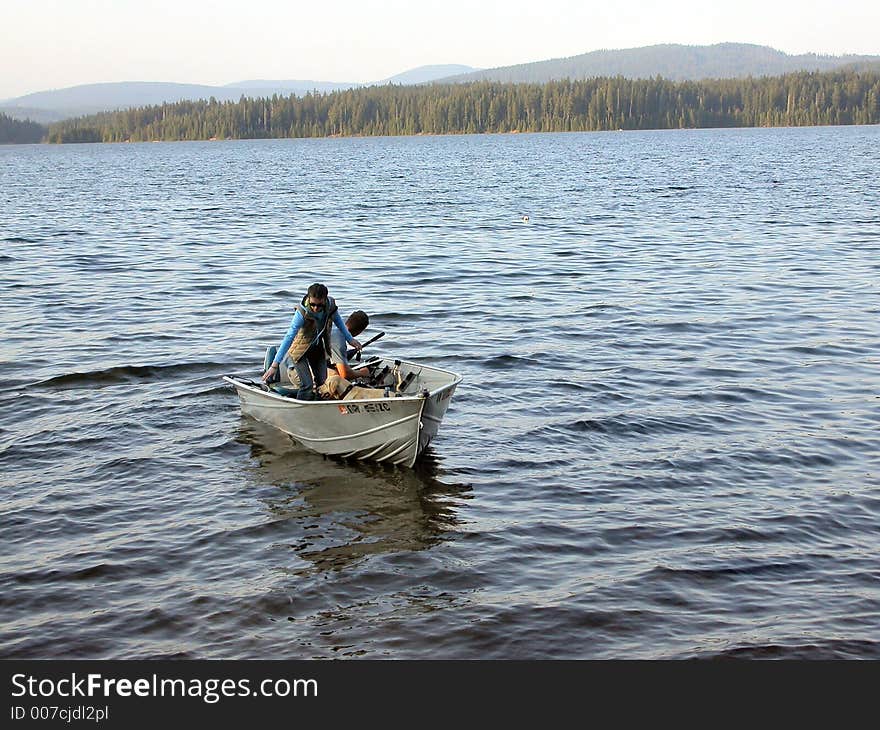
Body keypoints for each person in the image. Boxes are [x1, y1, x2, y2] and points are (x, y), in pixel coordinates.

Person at [261, 283, 361, 400]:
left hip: (317, 348)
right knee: (307, 385)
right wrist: (274, 365)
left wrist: (350, 339)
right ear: (308, 299)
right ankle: (300, 411)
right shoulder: (302, 313)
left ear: (325, 300)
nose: (315, 308)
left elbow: (339, 323)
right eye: (313, 304)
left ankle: (319, 409)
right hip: (299, 351)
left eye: (319, 305)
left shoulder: (330, 307)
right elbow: (289, 337)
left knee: (322, 384)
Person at [328, 309, 372, 381]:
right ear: (359, 332)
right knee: (336, 377)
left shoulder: (334, 326)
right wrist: (362, 373)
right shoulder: (339, 340)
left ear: (348, 320)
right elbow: (345, 375)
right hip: (310, 370)